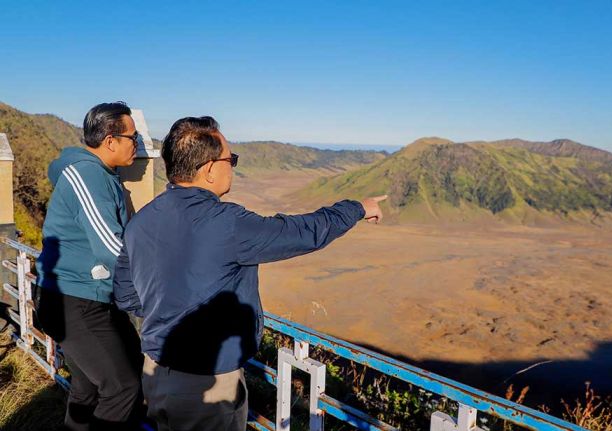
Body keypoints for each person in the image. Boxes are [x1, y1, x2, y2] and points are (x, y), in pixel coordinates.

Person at [113, 116, 386, 431]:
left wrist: (168, 315)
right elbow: (303, 232)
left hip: (156, 372)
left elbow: (126, 294)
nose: (233, 167)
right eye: (232, 160)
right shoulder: (227, 223)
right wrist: (357, 208)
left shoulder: (141, 222)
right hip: (208, 383)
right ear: (210, 168)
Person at [35, 102, 144, 430]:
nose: (136, 144)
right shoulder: (87, 173)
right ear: (111, 140)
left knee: (87, 389)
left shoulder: (105, 174)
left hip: (86, 296)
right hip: (74, 300)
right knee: (122, 387)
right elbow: (110, 245)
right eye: (132, 138)